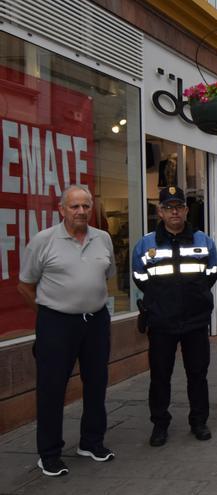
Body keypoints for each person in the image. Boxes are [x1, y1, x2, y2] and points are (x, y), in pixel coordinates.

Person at [17, 185, 116, 476]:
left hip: (96, 321)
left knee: (97, 383)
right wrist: (48, 314)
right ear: (62, 210)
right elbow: (25, 285)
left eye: (86, 206)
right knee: (52, 388)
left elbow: (106, 276)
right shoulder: (43, 240)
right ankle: (49, 454)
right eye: (75, 206)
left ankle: (91, 442)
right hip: (56, 323)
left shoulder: (104, 238)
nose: (82, 212)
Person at [131, 186, 217, 447]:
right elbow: (139, 277)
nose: (174, 212)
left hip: (195, 320)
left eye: (179, 207)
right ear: (160, 211)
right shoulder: (146, 244)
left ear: (186, 209)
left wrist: (197, 295)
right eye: (168, 207)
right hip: (161, 322)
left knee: (198, 374)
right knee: (160, 376)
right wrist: (160, 299)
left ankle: (199, 421)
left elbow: (213, 272)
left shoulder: (203, 241)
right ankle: (160, 425)